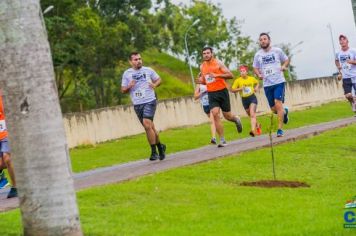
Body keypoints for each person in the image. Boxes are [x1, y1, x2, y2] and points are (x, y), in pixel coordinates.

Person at [121, 52, 166, 161]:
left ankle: (153, 152)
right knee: (150, 127)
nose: (139, 61)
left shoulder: (148, 70)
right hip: (137, 104)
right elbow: (122, 90)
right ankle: (160, 146)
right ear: (130, 62)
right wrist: (129, 86)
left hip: (150, 100)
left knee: (147, 124)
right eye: (136, 59)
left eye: (140, 59)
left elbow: (159, 79)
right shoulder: (127, 73)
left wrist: (154, 85)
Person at [198, 46, 243, 147]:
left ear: (212, 54)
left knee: (228, 116)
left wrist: (217, 75)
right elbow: (206, 80)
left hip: (222, 91)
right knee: (215, 114)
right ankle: (222, 140)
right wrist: (202, 81)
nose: (206, 55)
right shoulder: (202, 66)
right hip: (211, 93)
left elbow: (230, 75)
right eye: (204, 53)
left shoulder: (218, 63)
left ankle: (236, 119)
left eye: (208, 53)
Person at [253, 33, 290, 137]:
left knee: (278, 104)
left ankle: (279, 130)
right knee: (274, 109)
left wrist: (283, 66)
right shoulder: (258, 55)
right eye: (261, 40)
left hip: (279, 82)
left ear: (269, 40)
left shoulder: (277, 51)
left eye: (265, 39)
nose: (263, 41)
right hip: (267, 84)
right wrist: (258, 74)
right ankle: (285, 112)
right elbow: (255, 67)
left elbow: (286, 60)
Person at [231, 65, 262, 137]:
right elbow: (232, 90)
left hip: (252, 98)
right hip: (244, 100)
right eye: (241, 71)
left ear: (247, 72)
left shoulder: (251, 78)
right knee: (250, 115)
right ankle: (257, 126)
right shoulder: (238, 80)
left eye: (243, 71)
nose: (242, 72)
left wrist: (256, 88)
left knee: (252, 114)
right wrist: (240, 89)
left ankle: (253, 130)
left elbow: (257, 83)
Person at [0, 94, 17, 198]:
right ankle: (2, 177)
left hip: (7, 132)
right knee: (1, 164)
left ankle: (16, 187)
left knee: (7, 158)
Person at [335, 34, 356, 114]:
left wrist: (352, 62)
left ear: (347, 41)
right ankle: (353, 103)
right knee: (348, 95)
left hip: (354, 75)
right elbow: (336, 60)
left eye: (344, 39)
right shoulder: (338, 52)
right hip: (345, 77)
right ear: (339, 42)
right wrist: (339, 67)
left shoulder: (353, 50)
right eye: (340, 39)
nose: (342, 41)